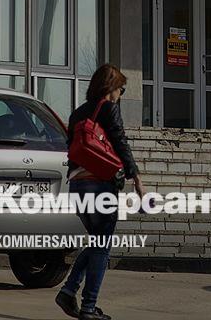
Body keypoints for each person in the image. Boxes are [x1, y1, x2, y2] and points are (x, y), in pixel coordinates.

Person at [56, 64, 145, 320]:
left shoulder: (77, 113)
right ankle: (88, 306)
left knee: (96, 243)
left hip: (78, 185)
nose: (120, 94)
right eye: (121, 89)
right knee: (101, 247)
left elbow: (71, 150)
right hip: (100, 185)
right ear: (111, 87)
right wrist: (137, 179)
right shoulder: (108, 108)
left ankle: (68, 292)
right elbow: (120, 141)